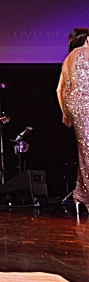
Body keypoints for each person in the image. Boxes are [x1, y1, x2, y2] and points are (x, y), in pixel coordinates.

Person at [57, 27, 89, 215]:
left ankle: (81, 193)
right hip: (85, 101)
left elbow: (59, 90)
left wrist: (65, 113)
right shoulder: (85, 52)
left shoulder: (68, 58)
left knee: (84, 148)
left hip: (73, 104)